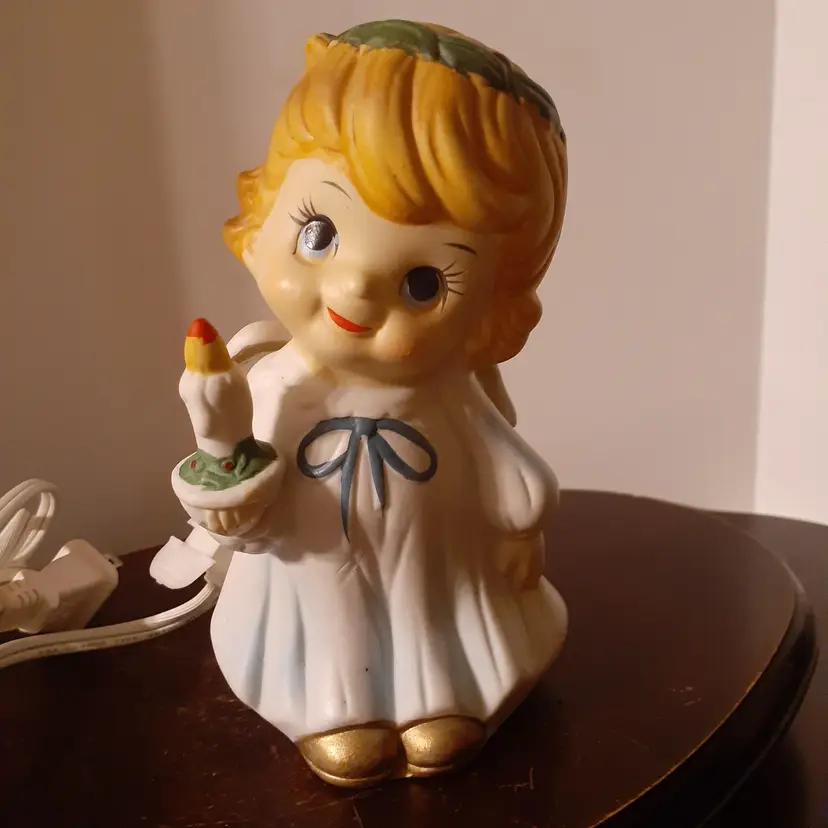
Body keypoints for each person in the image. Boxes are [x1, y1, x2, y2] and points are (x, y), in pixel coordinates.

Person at [176, 20, 569, 788]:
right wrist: (224, 452)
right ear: (266, 218)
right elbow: (244, 506)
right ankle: (336, 706)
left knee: (430, 613)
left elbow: (505, 460)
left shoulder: (450, 392)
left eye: (425, 283)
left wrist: (522, 520)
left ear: (489, 310)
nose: (354, 287)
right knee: (333, 601)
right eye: (318, 233)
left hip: (437, 559)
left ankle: (441, 699)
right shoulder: (278, 384)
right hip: (311, 562)